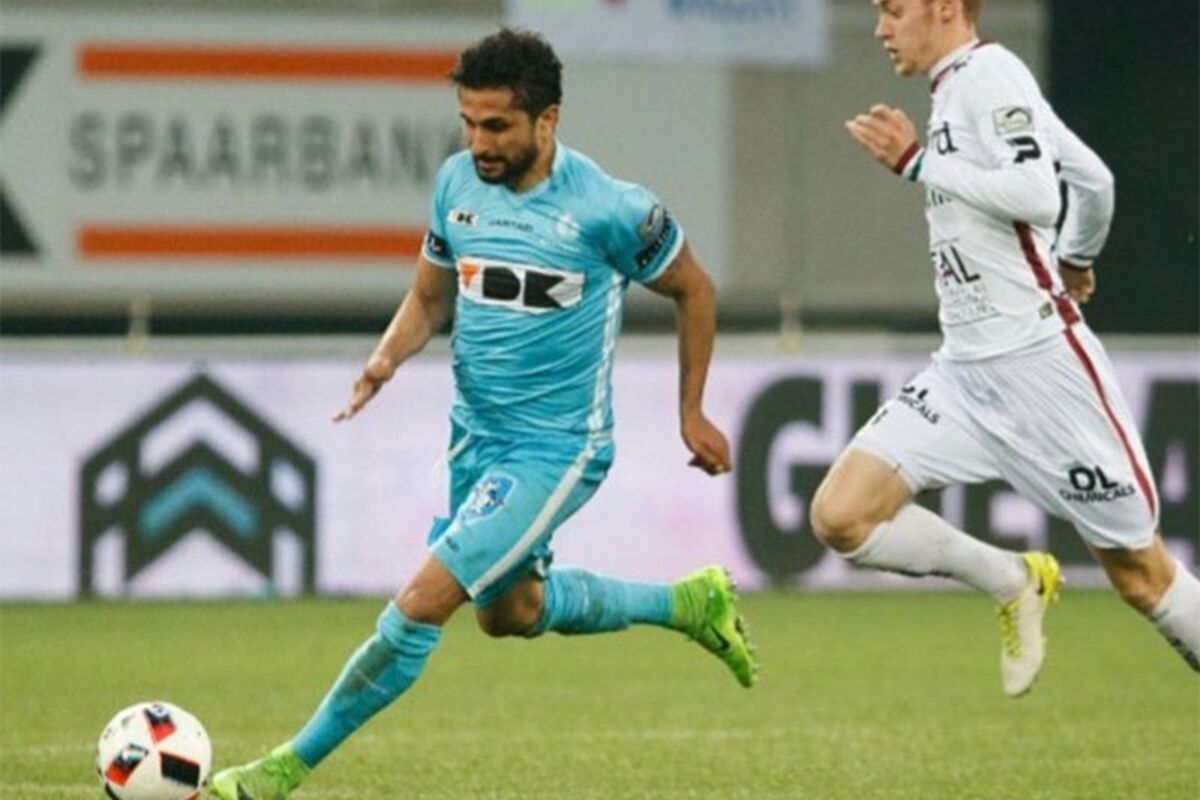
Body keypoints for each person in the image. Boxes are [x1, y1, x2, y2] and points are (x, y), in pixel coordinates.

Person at [205, 29, 757, 800]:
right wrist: (386, 359)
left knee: (420, 606)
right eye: (468, 122)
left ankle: (277, 773)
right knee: (510, 613)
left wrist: (690, 410)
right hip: (475, 440)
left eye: (496, 126)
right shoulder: (457, 184)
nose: (478, 143)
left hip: (557, 448)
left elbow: (694, 289)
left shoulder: (611, 209)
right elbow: (431, 297)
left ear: (547, 119)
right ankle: (689, 602)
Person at [811, 0, 1199, 696]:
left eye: (893, 10)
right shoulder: (958, 87)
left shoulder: (989, 75)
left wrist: (917, 163)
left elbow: (1038, 194)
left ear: (945, 7)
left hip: (1040, 368)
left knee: (1142, 578)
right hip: (964, 374)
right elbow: (1094, 181)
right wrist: (1077, 258)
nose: (881, 29)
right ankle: (1013, 579)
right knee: (841, 516)